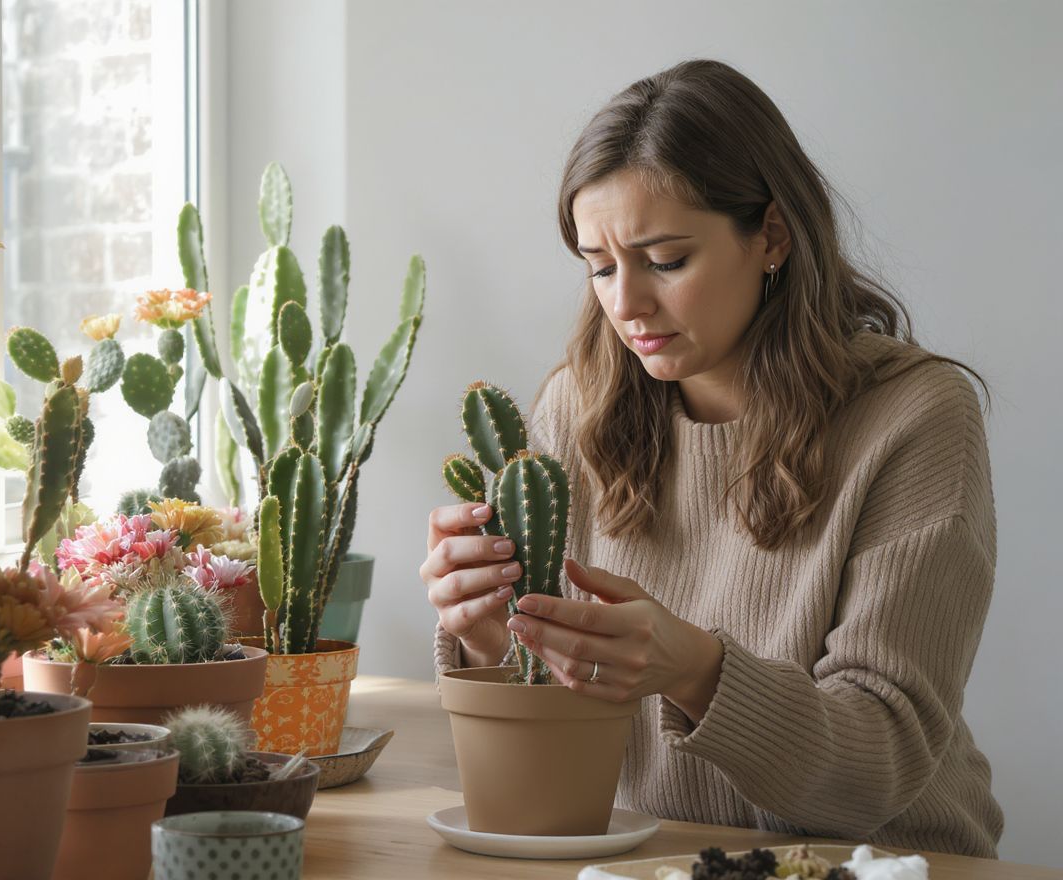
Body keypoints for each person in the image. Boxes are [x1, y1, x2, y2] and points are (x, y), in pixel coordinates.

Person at [420, 59, 1003, 858]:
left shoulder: (915, 416)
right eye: (598, 265)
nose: (625, 305)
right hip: (638, 863)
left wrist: (697, 669)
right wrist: (490, 638)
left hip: (879, 866)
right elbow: (560, 716)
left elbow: (879, 768)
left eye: (665, 261)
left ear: (770, 235)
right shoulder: (576, 407)